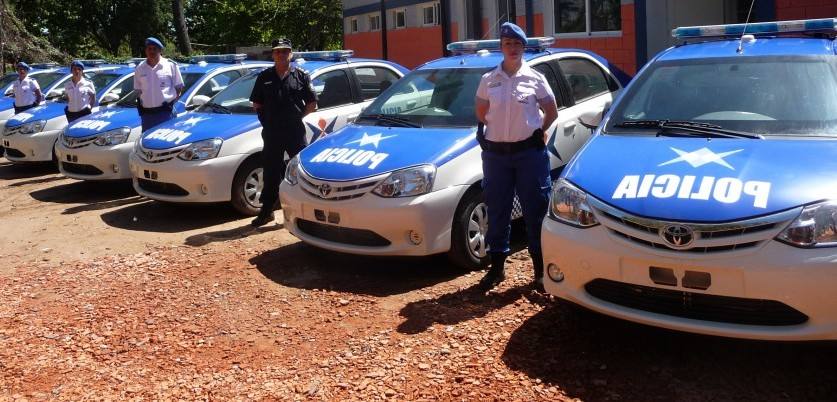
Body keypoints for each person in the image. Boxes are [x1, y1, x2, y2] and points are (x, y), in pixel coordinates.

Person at [474, 22, 559, 293]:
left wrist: (540, 131)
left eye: (517, 44)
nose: (512, 48)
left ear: (523, 48)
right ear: (501, 47)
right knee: (498, 209)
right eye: (507, 44)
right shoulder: (489, 80)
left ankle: (540, 273)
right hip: (497, 156)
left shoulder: (535, 78)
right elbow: (480, 112)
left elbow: (551, 111)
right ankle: (497, 269)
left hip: (528, 155)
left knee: (535, 209)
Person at [248, 38, 318, 227]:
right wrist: (268, 123)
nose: (281, 54)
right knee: (270, 171)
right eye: (277, 51)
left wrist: (296, 117)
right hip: (271, 131)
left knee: (300, 170)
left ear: (291, 54)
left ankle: (306, 211)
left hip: (294, 131)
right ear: (272, 54)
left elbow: (312, 104)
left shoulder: (301, 76)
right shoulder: (264, 77)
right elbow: (257, 104)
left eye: (285, 51)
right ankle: (267, 211)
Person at [133, 37, 184, 131]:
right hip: (147, 115)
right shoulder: (140, 68)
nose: (151, 51)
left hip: (165, 113)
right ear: (146, 50)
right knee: (148, 142)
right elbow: (138, 90)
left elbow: (179, 88)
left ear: (160, 50)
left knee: (166, 142)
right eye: (149, 48)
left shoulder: (170, 65)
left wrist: (169, 101)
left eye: (154, 49)